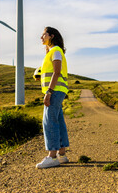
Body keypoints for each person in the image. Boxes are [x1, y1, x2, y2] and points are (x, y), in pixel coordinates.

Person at [36, 26, 69, 169]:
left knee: (49, 122)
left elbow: (56, 72)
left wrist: (49, 92)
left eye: (44, 35)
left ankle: (52, 156)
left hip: (54, 91)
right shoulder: (53, 52)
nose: (41, 37)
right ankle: (62, 155)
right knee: (58, 121)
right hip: (58, 90)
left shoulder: (55, 51)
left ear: (51, 36)